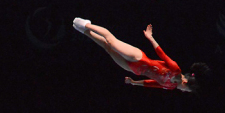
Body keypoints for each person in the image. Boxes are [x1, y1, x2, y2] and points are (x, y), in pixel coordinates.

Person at [72, 18, 209, 92]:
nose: (183, 92)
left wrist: (133, 83)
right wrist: (150, 37)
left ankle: (85, 32)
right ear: (185, 83)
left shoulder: (170, 86)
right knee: (112, 42)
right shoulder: (175, 69)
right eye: (186, 90)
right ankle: (87, 24)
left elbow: (150, 84)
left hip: (133, 69)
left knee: (107, 48)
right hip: (139, 58)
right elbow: (161, 53)